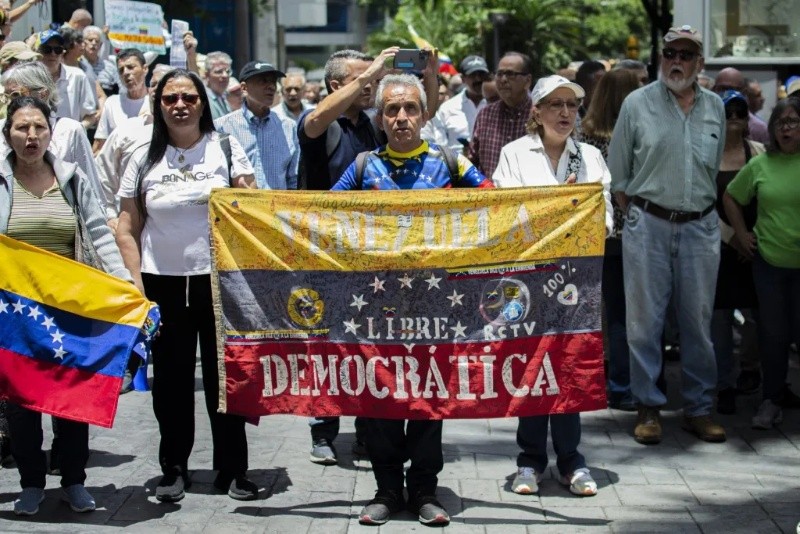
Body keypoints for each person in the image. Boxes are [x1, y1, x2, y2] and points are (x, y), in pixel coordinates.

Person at [333, 73, 492, 526]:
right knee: (382, 396)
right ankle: (386, 490)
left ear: (424, 115)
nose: (401, 118)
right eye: (391, 110)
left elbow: (496, 206)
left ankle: (424, 490)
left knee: (428, 396)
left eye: (410, 109)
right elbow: (322, 216)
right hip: (375, 307)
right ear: (380, 119)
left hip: (438, 307)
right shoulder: (363, 166)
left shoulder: (451, 162)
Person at [115, 69, 258, 502]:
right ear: (159, 105)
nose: (180, 105)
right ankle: (173, 469)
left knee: (225, 379)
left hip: (222, 284)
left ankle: (233, 470)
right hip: (164, 286)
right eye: (171, 98)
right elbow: (127, 227)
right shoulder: (142, 157)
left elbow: (252, 214)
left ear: (202, 103)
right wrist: (137, 288)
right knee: (172, 385)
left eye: (189, 98)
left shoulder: (228, 150)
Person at [1, 95, 132, 516]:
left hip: (68, 313)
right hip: (16, 317)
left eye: (38, 127)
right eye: (22, 127)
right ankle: (31, 484)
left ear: (50, 132)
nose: (31, 136)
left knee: (72, 402)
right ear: (9, 134)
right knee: (20, 407)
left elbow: (99, 235)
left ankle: (74, 481)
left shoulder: (73, 179)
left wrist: (125, 288)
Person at [607, 25, 727, 445]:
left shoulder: (715, 107)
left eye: (686, 54)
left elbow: (715, 169)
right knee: (644, 322)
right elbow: (618, 174)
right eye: (670, 52)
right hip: (649, 224)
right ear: (661, 57)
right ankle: (648, 407)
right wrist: (641, 216)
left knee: (698, 322)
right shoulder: (636, 104)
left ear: (699, 63)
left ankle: (699, 409)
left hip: (701, 227)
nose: (676, 60)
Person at [492, 75, 611, 499]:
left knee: (570, 366)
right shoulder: (513, 154)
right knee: (531, 366)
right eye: (555, 104)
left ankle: (571, 460)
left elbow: (605, 217)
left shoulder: (591, 158)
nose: (564, 113)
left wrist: (557, 221)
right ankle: (529, 460)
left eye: (572, 106)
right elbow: (507, 215)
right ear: (536, 111)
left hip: (576, 282)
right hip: (526, 281)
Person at [723, 97, 800, 430]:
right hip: (769, 263)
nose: (786, 128)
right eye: (781, 122)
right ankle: (771, 400)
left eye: (794, 121)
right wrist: (741, 234)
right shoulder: (760, 164)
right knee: (773, 335)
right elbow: (731, 197)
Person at [578, 68, 643, 411]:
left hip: (601, 233)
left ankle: (616, 383)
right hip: (637, 228)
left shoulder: (586, 135)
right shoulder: (638, 132)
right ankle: (630, 384)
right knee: (638, 313)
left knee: (612, 312)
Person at [709, 90, 764, 416]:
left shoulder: (757, 153)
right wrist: (733, 237)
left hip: (755, 247)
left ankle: (751, 369)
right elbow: (702, 202)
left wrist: (751, 238)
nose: (733, 119)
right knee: (719, 322)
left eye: (740, 113)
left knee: (758, 318)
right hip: (717, 249)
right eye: (727, 112)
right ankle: (723, 384)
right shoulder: (706, 156)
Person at [94, 63, 172, 233]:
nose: (156, 90)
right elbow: (101, 175)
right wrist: (110, 216)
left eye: (164, 84)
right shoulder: (126, 130)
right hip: (130, 228)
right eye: (153, 85)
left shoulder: (189, 135)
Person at [216, 61, 299, 190]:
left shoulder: (289, 127)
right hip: (237, 208)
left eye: (273, 81)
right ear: (244, 88)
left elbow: (294, 179)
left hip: (277, 208)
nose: (271, 86)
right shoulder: (222, 127)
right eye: (263, 81)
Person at [469, 51, 533, 178]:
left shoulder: (540, 115)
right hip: (488, 195)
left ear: (528, 81)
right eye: (499, 74)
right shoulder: (485, 115)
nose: (503, 80)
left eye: (510, 74)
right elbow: (472, 162)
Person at [422, 54, 490, 153]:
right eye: (473, 75)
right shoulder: (448, 108)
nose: (478, 79)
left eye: (481, 74)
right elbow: (441, 142)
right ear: (462, 78)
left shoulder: (496, 105)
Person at [34, 30, 96, 127]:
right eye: (47, 49)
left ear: (62, 52)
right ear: (37, 52)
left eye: (57, 50)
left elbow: (90, 115)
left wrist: (76, 130)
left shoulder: (77, 76)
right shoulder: (29, 78)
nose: (53, 54)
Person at [93, 48, 149, 152]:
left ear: (145, 69)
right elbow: (100, 145)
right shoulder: (112, 103)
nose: (126, 73)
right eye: (121, 70)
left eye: (130, 67)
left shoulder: (158, 102)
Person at [713, 67, 769, 144]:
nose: (729, 94)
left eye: (734, 89)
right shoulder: (703, 123)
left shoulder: (758, 129)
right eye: (723, 89)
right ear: (714, 90)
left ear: (744, 92)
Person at [204, 51, 233, 120]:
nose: (225, 75)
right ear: (207, 75)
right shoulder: (204, 99)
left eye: (228, 71)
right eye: (219, 72)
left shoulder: (225, 97)